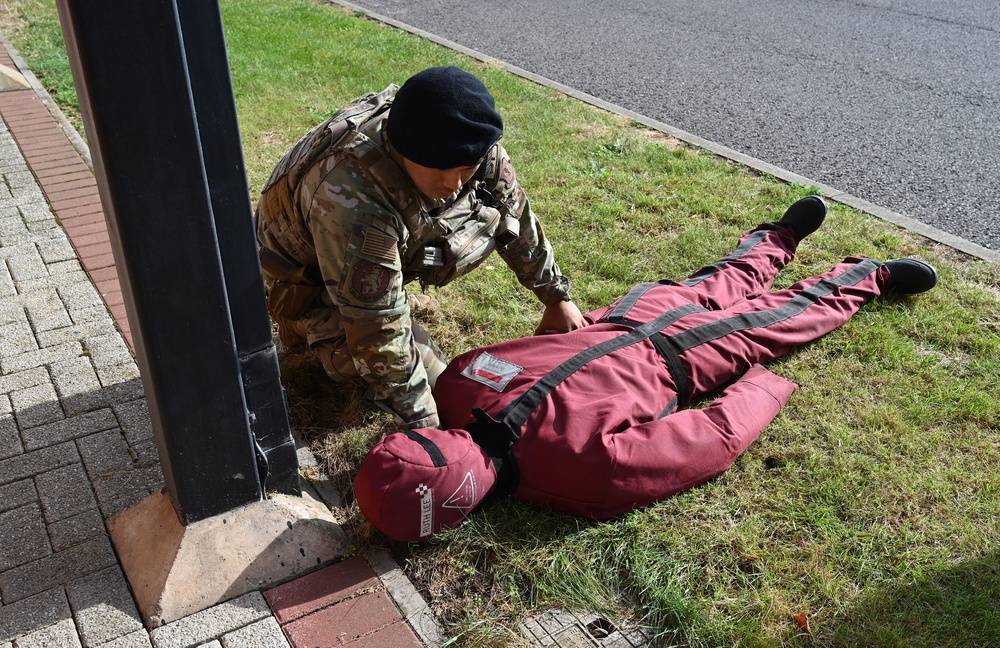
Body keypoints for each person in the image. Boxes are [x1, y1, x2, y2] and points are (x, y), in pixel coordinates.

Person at [353, 196, 940, 542]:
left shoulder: (463, 387)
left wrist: (758, 384)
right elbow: (706, 439)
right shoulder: (572, 468)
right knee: (777, 312)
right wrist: (760, 386)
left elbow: (710, 441)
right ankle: (871, 276)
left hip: (629, 326)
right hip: (674, 356)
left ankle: (781, 236)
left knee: (727, 281)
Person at [255, 66, 585, 429]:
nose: (455, 183)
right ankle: (304, 323)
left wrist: (556, 297)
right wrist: (427, 424)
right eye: (440, 169)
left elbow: (517, 215)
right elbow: (377, 332)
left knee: (481, 211)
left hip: (359, 255)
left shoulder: (475, 146)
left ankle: (388, 291)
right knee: (447, 389)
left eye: (465, 167)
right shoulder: (352, 195)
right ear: (403, 150)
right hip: (305, 280)